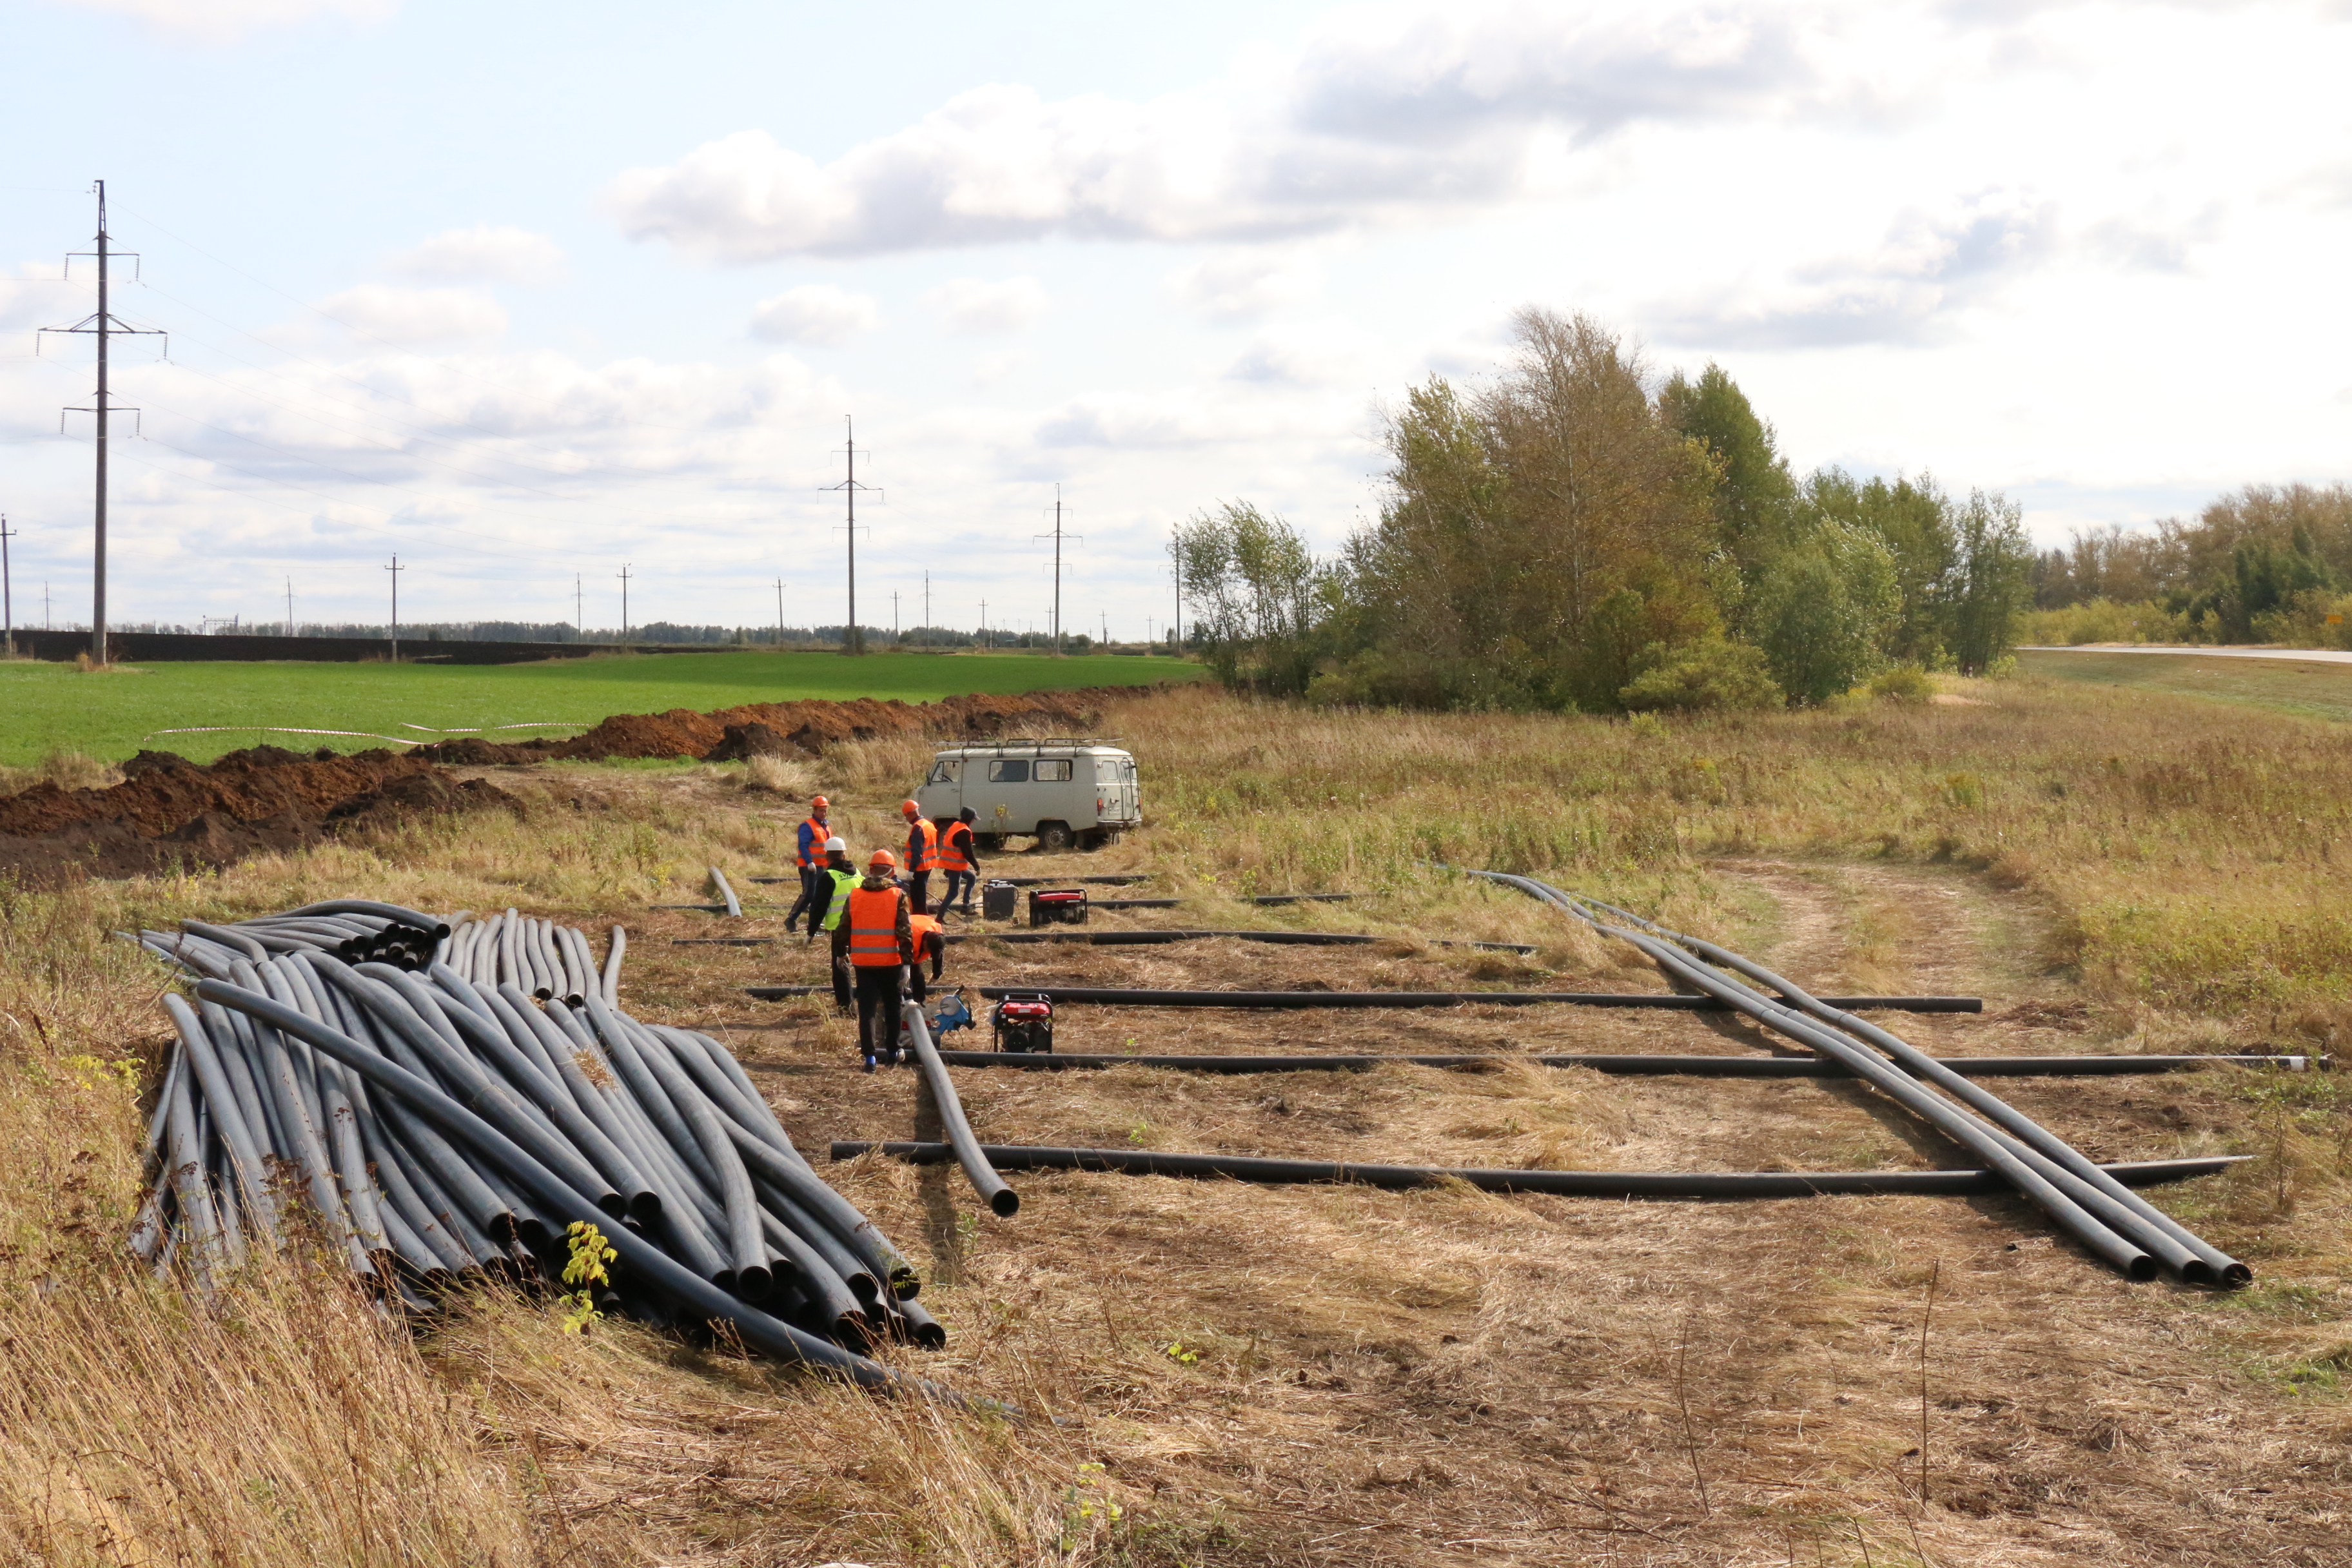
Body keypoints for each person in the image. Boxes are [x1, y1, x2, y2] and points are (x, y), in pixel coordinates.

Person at [832, 848, 915, 1072]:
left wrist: (841, 953)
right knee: (892, 1007)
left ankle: (869, 1059)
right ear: (891, 871)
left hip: (863, 962)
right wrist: (908, 964)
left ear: (870, 870)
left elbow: (842, 928)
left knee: (867, 1010)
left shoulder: (856, 895)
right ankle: (892, 1052)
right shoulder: (898, 895)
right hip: (891, 961)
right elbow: (905, 932)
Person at [783, 796, 834, 934]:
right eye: (821, 810)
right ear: (815, 810)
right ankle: (791, 919)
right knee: (809, 894)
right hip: (809, 866)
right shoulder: (808, 826)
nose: (823, 813)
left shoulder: (826, 827)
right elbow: (803, 846)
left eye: (825, 810)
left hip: (821, 866)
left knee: (820, 896)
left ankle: (814, 924)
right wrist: (810, 862)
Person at [936, 807, 982, 917]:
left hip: (953, 864)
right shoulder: (964, 831)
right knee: (953, 892)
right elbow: (968, 853)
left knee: (971, 878)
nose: (973, 821)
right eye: (973, 819)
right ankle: (939, 917)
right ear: (968, 818)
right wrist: (977, 866)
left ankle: (965, 907)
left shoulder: (956, 825)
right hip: (954, 865)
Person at [900, 799, 940, 915]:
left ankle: (921, 920)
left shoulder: (918, 828)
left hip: (919, 868)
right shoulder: (929, 824)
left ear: (910, 814)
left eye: (906, 816)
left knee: (918, 899)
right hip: (928, 866)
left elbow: (917, 852)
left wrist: (911, 871)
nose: (906, 819)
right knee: (921, 896)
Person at [905, 909, 947, 1000]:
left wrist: (937, 974)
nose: (930, 954)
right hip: (897, 950)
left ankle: (920, 1002)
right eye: (930, 951)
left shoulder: (937, 935)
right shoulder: (910, 938)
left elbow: (938, 956)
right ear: (925, 943)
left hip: (919, 926)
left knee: (918, 980)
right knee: (901, 980)